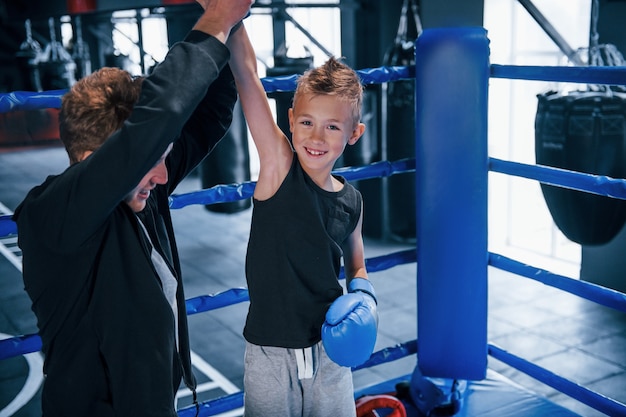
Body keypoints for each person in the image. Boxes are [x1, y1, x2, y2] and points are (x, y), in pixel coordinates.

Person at [12, 0, 253, 415]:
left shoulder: (141, 191)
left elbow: (209, 112)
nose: (163, 177)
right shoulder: (50, 215)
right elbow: (151, 128)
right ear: (93, 161)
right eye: (149, 162)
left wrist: (224, 13)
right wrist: (216, 19)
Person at [227, 24, 379, 417]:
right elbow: (247, 75)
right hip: (270, 354)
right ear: (291, 120)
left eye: (332, 126)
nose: (316, 136)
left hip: (329, 353)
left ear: (353, 133)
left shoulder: (352, 201)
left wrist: (364, 298)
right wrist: (229, 17)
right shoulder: (278, 167)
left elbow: (356, 262)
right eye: (307, 122)